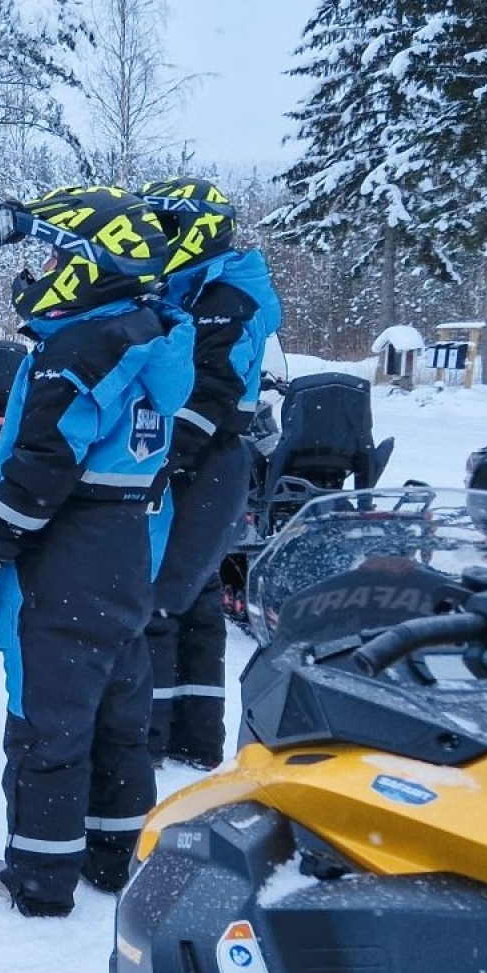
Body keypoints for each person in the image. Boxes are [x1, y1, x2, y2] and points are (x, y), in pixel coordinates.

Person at [0, 186, 194, 918]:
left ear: (91, 262)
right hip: (123, 541)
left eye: (54, 254)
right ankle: (116, 854)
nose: (41, 268)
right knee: (120, 706)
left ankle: (40, 876)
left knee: (46, 715)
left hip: (65, 546)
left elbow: (41, 465)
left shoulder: (79, 347)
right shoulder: (153, 333)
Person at [138, 177, 283, 770]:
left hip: (205, 458)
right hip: (204, 459)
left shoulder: (225, 298)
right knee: (194, 596)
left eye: (163, 227)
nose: (153, 239)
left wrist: (167, 459)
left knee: (161, 596)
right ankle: (194, 739)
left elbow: (214, 392)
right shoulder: (198, 289)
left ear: (194, 228)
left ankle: (147, 736)